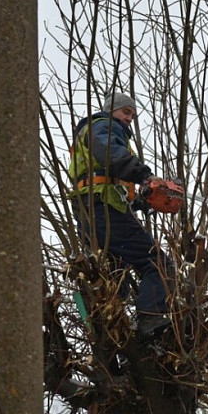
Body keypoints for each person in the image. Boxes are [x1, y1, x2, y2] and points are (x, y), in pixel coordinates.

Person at [69, 92, 173, 339]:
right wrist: (145, 175)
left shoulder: (95, 133)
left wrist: (139, 201)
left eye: (133, 115)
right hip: (103, 208)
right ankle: (150, 319)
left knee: (117, 278)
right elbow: (110, 154)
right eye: (126, 112)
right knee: (157, 263)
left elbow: (109, 177)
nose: (129, 118)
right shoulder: (104, 126)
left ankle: (109, 335)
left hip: (92, 210)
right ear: (111, 110)